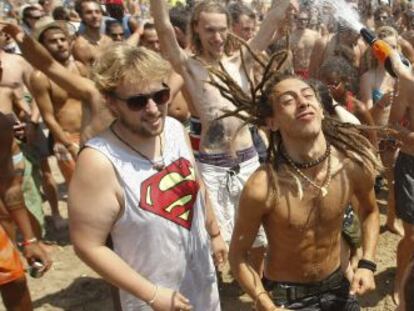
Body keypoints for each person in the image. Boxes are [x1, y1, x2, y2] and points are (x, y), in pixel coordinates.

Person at [68, 43, 226, 311]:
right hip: (151, 299)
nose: (153, 109)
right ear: (111, 102)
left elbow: (195, 184)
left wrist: (214, 232)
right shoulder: (99, 162)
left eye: (161, 96)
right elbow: (88, 245)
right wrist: (152, 294)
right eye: (137, 101)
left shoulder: (174, 130)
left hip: (201, 285)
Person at [151, 0, 299, 274]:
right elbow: (163, 30)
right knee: (215, 237)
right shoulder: (189, 67)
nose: (217, 37)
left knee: (258, 237)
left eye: (221, 29)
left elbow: (267, 28)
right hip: (212, 166)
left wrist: (283, 7)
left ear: (230, 29)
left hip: (248, 161)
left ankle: (256, 285)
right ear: (196, 29)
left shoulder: (240, 60)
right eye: (209, 30)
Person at [221, 71, 381, 310]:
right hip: (287, 299)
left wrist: (367, 263)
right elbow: (238, 255)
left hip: (339, 286)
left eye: (308, 95)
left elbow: (370, 211)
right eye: (288, 100)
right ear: (272, 122)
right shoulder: (263, 186)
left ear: (320, 107)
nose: (303, 102)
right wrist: (266, 304)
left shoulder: (350, 166)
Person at [30, 16, 86, 186]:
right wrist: (68, 145)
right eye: (53, 41)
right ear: (43, 46)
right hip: (67, 138)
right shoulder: (40, 77)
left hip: (90, 133)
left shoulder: (79, 67)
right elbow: (48, 117)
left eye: (63, 39)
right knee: (79, 189)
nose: (60, 44)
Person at [359, 26, 404, 236]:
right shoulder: (368, 78)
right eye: (387, 48)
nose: (392, 53)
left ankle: (392, 221)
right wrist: (380, 105)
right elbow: (364, 115)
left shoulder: (404, 75)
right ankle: (370, 220)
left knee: (394, 183)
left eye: (395, 47)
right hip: (375, 138)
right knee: (370, 184)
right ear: (377, 51)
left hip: (398, 136)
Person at [385, 43, 414, 307]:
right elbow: (393, 125)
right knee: (413, 235)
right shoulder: (408, 83)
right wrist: (409, 136)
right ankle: (399, 284)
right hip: (411, 165)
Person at [73, 0, 112, 64]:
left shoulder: (109, 40)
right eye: (89, 12)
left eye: (97, 12)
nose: (94, 16)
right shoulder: (81, 46)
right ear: (81, 16)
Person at [290, 8, 320, 79]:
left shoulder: (315, 35)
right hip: (296, 72)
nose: (303, 22)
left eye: (305, 19)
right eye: (300, 19)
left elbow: (319, 53)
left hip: (311, 71)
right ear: (295, 20)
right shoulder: (290, 37)